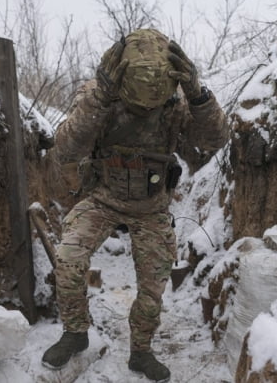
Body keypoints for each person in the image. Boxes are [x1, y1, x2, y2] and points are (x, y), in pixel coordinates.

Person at [41, 28, 228, 382]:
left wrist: (198, 94)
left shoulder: (176, 106)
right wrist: (99, 101)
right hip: (102, 200)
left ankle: (141, 351)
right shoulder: (100, 97)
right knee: (69, 258)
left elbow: (215, 139)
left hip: (151, 207)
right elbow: (66, 148)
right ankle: (75, 332)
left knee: (153, 283)